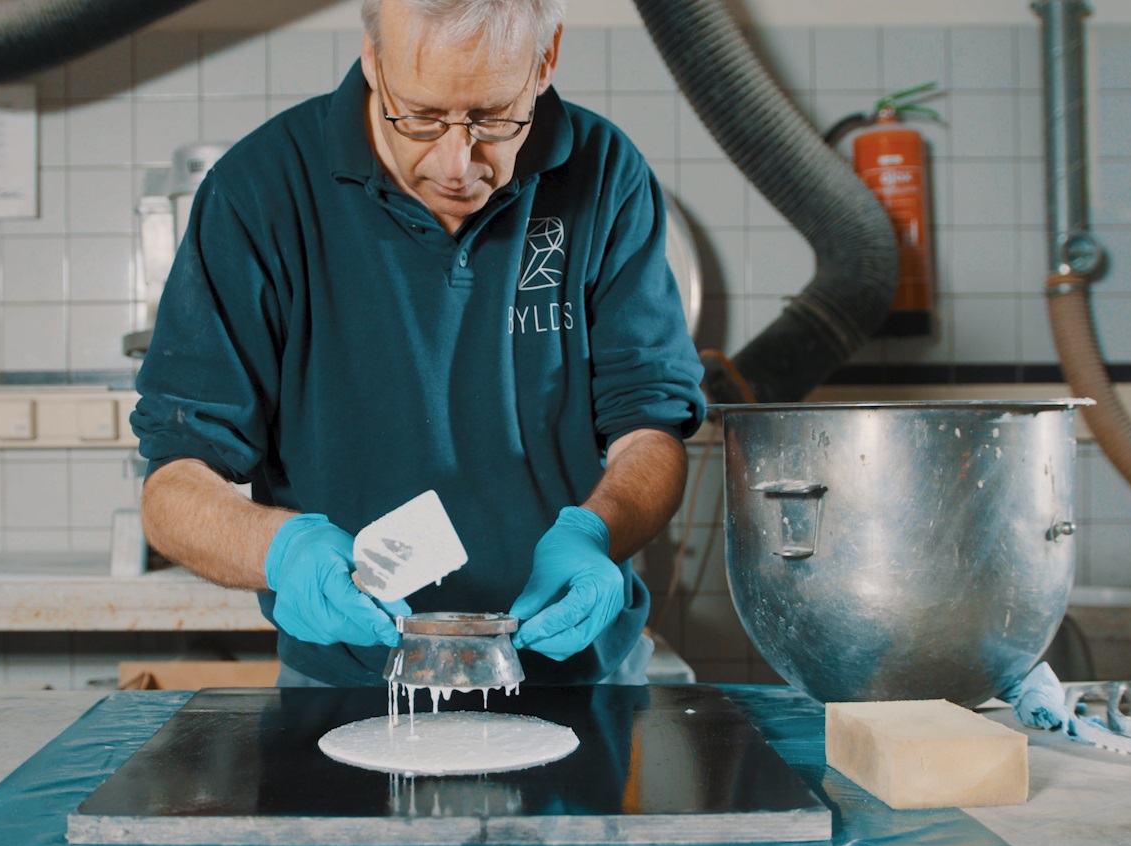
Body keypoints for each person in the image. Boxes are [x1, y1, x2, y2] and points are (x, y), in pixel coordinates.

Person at [130, 0, 705, 687]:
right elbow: (173, 486)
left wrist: (599, 534)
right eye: (423, 118)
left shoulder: (606, 173)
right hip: (347, 686)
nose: (457, 164)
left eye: (495, 119)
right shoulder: (259, 191)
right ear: (373, 60)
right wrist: (282, 551)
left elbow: (651, 428)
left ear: (545, 62)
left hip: (576, 674)